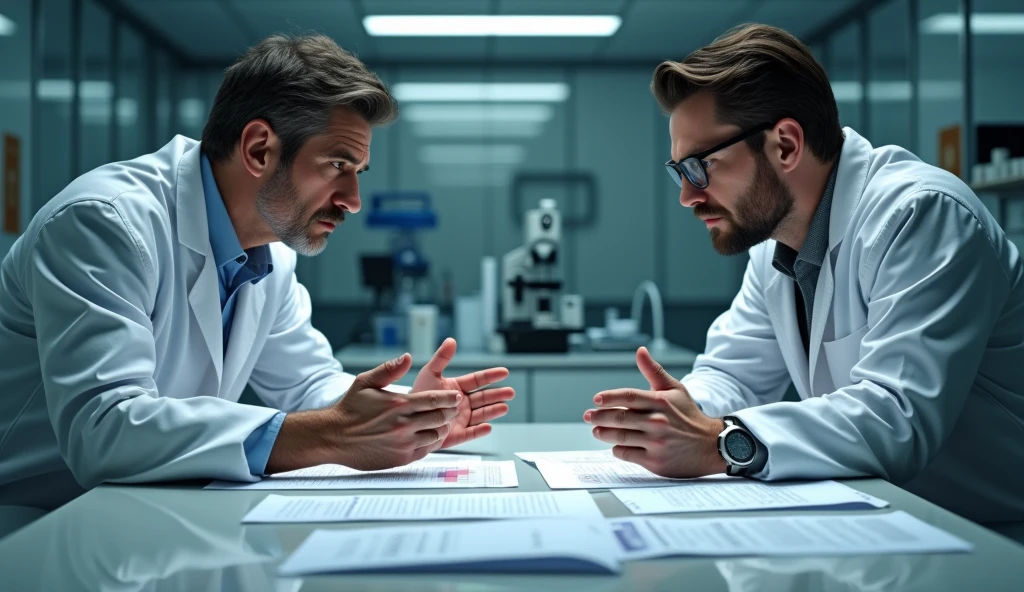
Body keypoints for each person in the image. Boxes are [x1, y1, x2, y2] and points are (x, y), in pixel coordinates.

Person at [0, 34, 514, 511]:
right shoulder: (104, 222)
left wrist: (410, 416)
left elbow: (309, 384)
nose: (353, 202)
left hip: (149, 508)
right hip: (36, 518)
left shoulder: (271, 254)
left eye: (358, 173)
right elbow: (104, 429)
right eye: (338, 165)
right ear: (258, 149)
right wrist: (334, 434)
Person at [584, 23, 1024, 523]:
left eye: (700, 167)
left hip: (996, 539)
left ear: (786, 145)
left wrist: (721, 442)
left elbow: (897, 417)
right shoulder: (776, 248)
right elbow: (733, 373)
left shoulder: (922, 215)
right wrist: (683, 413)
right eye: (679, 172)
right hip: (891, 523)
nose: (687, 195)